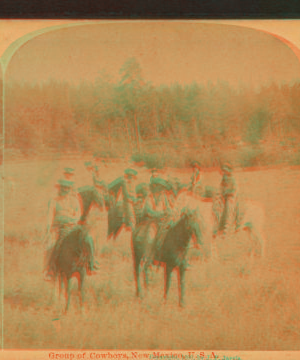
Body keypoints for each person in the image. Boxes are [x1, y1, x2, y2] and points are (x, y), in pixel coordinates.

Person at [44, 179, 97, 281]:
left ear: (69, 189)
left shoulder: (74, 200)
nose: (65, 189)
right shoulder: (54, 200)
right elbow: (50, 216)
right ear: (59, 188)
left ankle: (91, 264)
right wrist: (48, 228)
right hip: (58, 227)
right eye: (63, 187)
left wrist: (73, 221)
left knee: (88, 238)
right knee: (52, 245)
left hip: (72, 226)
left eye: (67, 188)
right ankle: (50, 269)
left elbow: (78, 214)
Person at [143, 177, 174, 266]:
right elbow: (149, 212)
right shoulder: (149, 197)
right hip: (153, 222)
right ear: (155, 187)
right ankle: (147, 258)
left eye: (162, 188)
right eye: (160, 187)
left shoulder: (163, 196)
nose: (161, 190)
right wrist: (161, 213)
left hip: (164, 221)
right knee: (150, 238)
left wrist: (169, 211)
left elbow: (168, 207)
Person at [216, 162, 239, 236]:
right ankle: (219, 227)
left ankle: (226, 228)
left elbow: (234, 189)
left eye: (225, 171)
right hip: (224, 196)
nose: (224, 172)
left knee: (228, 208)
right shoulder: (224, 178)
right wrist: (220, 193)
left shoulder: (232, 179)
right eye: (223, 171)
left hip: (230, 197)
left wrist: (227, 193)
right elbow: (221, 186)